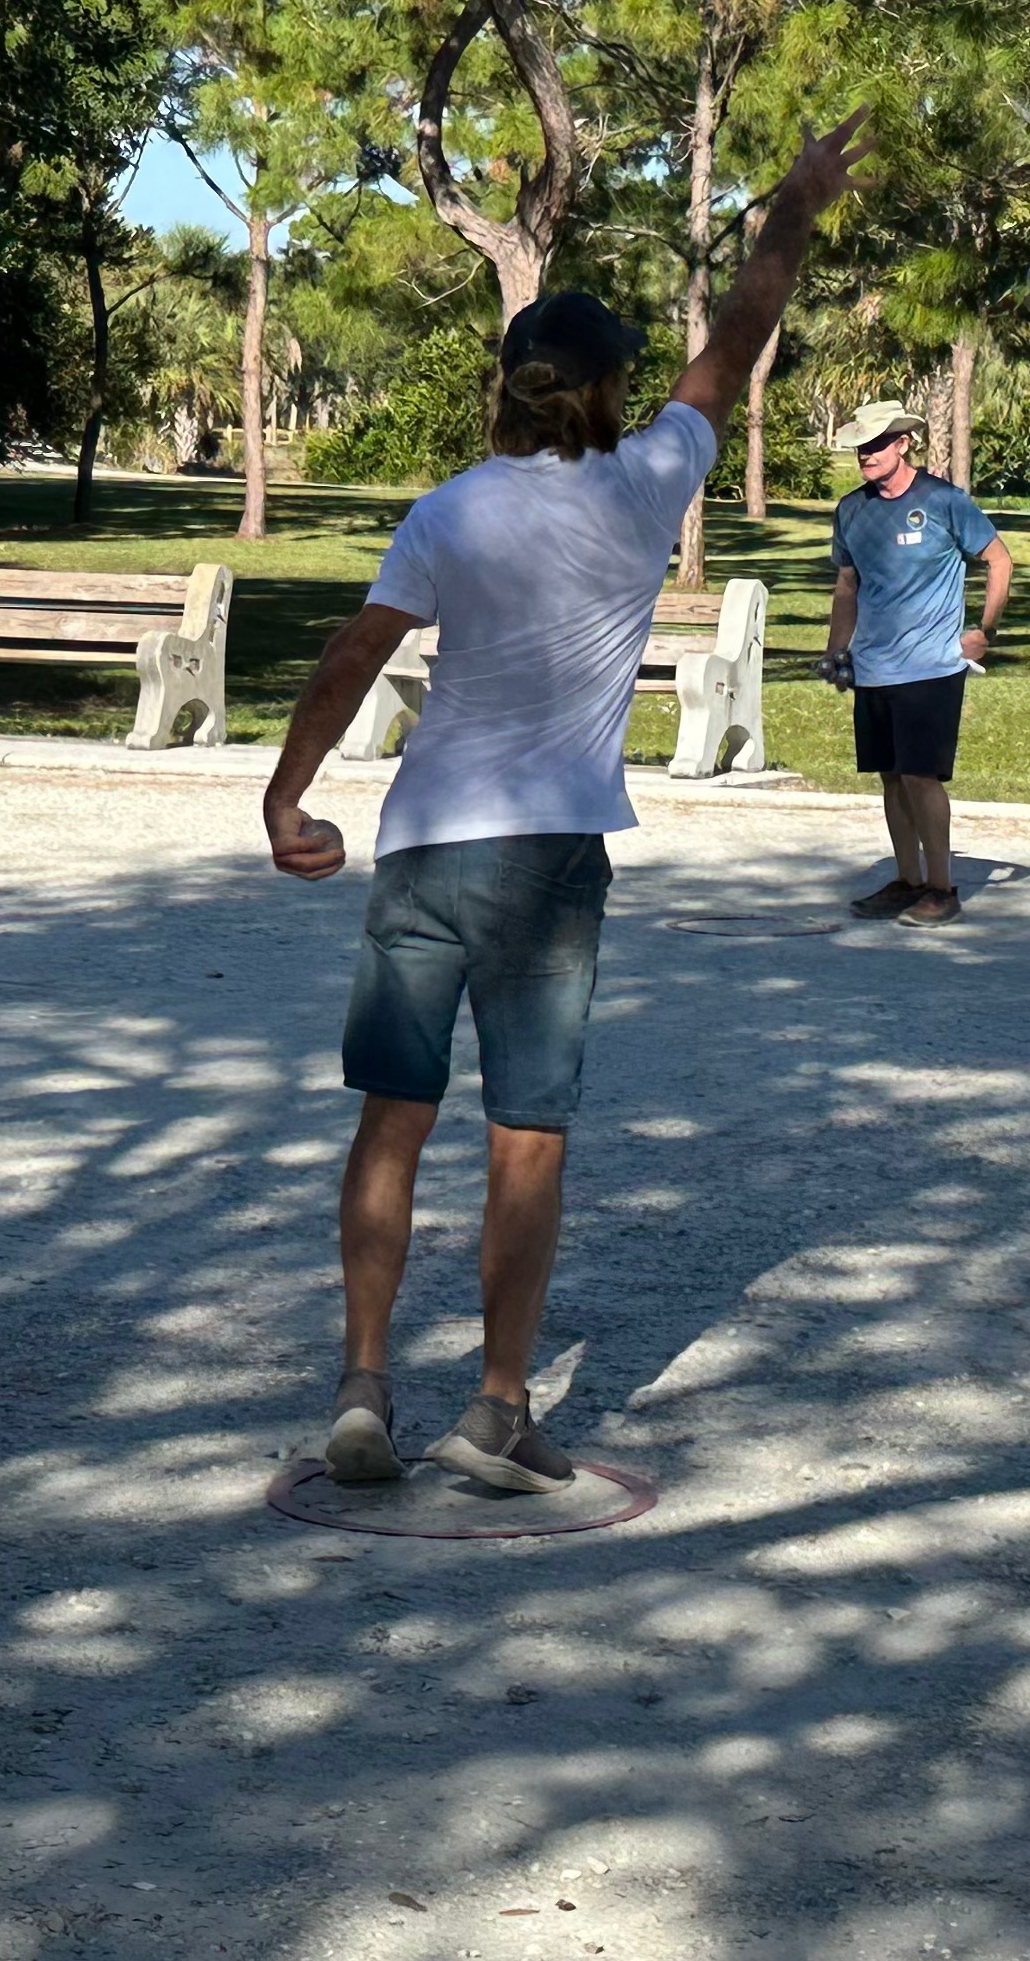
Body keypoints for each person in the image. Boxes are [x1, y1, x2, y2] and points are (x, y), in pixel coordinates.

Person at [263, 110, 866, 1494]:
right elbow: (739, 338)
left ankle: (363, 1390)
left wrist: (287, 796)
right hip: (550, 859)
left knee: (392, 1121)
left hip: (425, 846)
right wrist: (796, 204)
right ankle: (494, 1412)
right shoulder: (648, 485)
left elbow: (354, 655)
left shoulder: (451, 508)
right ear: (603, 392)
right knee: (525, 1134)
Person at [823, 400, 1012, 926]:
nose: (867, 453)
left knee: (920, 776)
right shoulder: (851, 510)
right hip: (873, 667)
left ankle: (941, 888)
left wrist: (984, 630)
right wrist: (836, 651)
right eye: (861, 446)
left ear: (903, 443)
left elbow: (999, 560)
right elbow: (847, 586)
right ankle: (907, 880)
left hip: (931, 667)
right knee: (890, 776)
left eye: (877, 443)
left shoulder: (944, 501)